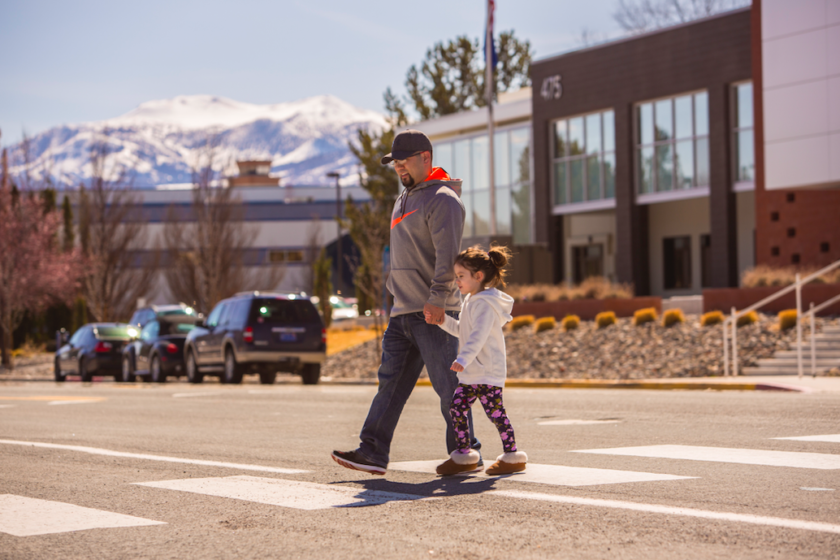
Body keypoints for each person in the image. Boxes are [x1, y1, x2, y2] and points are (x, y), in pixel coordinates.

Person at [331, 129, 480, 475]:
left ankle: (466, 451)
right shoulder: (404, 198)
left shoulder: (443, 199)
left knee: (449, 387)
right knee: (391, 384)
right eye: (394, 163)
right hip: (403, 312)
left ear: (425, 158)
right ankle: (372, 451)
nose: (399, 168)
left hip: (434, 313)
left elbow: (448, 259)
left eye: (404, 162)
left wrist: (438, 300)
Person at [429, 245, 527, 476]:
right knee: (457, 409)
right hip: (472, 373)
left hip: (487, 372)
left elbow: (478, 336)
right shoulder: (471, 302)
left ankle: (512, 456)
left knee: (495, 414)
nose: (457, 282)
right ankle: (464, 456)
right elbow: (462, 331)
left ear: (479, 276)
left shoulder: (484, 304)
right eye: (456, 277)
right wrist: (442, 321)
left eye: (461, 276)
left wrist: (462, 358)